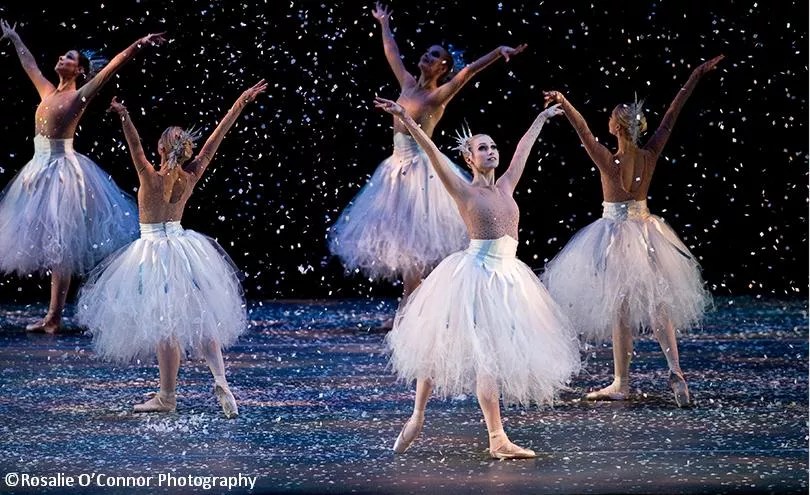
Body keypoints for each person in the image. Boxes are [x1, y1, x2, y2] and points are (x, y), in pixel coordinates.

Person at [375, 96, 580, 459]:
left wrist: (541, 118)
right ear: (469, 158)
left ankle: (496, 438)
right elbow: (432, 153)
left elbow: (523, 150)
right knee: (444, 346)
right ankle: (421, 417)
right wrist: (405, 117)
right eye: (482, 148)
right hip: (475, 276)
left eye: (493, 146)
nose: (490, 151)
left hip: (508, 278)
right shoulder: (463, 189)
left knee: (491, 356)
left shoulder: (506, 186)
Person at [76, 80, 267, 418]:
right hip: (184, 249)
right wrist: (240, 102)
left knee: (165, 323)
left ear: (161, 148)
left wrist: (124, 116)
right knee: (201, 315)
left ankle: (167, 396)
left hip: (153, 253)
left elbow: (134, 146)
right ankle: (220, 379)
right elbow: (216, 138)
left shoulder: (150, 176)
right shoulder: (190, 175)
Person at [329, 2, 527, 327]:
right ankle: (411, 309)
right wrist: (384, 23)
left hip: (421, 175)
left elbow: (468, 73)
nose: (427, 56)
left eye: (435, 55)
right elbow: (392, 53)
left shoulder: (438, 96)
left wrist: (497, 52)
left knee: (416, 247)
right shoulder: (408, 84)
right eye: (427, 52)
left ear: (443, 67)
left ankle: (411, 313)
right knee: (407, 248)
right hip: (395, 170)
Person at [541, 55, 724, 407]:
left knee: (619, 310)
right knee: (659, 303)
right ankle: (675, 370)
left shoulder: (606, 158)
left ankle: (622, 382)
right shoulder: (649, 153)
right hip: (647, 233)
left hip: (615, 237)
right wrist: (695, 75)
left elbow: (581, 129)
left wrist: (564, 101)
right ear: (639, 127)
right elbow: (672, 114)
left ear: (614, 128)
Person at [0, 19, 166, 333]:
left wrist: (139, 44)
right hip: (37, 170)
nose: (61, 59)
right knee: (45, 243)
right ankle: (53, 315)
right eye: (62, 55)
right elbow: (29, 64)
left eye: (69, 58)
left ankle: (54, 317)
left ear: (78, 70)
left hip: (62, 175)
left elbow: (112, 67)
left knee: (61, 247)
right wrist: (15, 38)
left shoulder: (80, 96)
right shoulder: (47, 91)